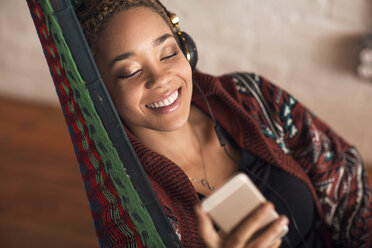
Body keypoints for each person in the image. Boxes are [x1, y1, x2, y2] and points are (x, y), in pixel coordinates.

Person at [75, 0, 372, 247]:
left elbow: (348, 184)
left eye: (168, 53)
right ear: (99, 92)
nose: (161, 78)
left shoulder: (249, 97)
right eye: (130, 71)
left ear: (187, 51)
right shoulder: (126, 202)